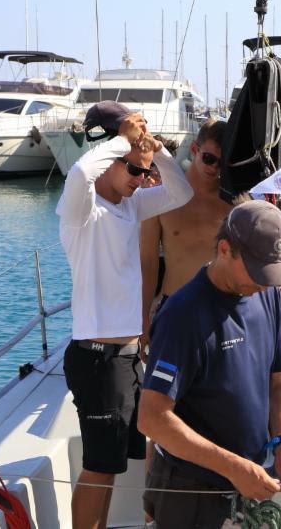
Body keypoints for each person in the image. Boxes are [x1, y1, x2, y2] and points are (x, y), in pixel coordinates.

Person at [56, 100, 194, 529]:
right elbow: (81, 172)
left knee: (111, 466)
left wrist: (155, 150)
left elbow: (180, 192)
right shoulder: (83, 211)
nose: (141, 180)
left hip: (128, 357)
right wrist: (122, 141)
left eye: (145, 171)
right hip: (98, 357)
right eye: (134, 170)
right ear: (112, 160)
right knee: (98, 469)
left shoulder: (131, 206)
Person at [138, 200, 281, 528]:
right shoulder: (182, 316)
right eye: (258, 269)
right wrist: (233, 468)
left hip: (250, 483)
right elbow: (152, 418)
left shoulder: (268, 293)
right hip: (191, 494)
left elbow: (280, 378)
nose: (265, 282)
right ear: (225, 249)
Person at [140, 120, 231, 351]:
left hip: (220, 310)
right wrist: (143, 319)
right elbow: (148, 263)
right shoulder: (161, 198)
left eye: (221, 163)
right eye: (209, 159)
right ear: (194, 150)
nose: (213, 168)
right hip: (174, 308)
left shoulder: (233, 204)